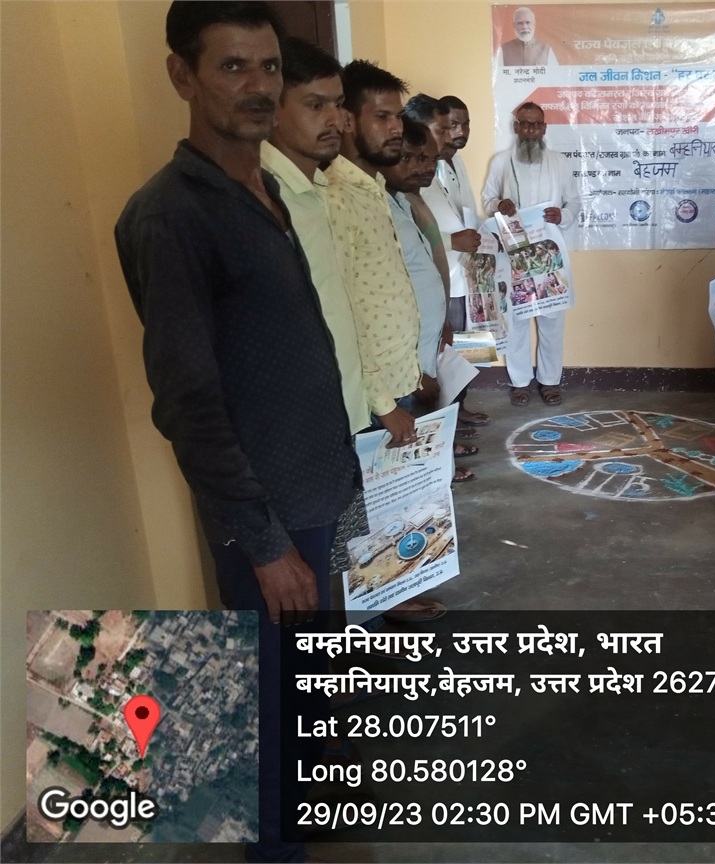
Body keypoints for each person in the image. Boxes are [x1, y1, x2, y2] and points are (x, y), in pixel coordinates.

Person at [114, 5, 359, 861]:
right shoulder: (172, 215)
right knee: (269, 710)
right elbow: (188, 403)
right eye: (232, 67)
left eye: (269, 68)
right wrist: (263, 543)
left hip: (314, 493)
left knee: (308, 688)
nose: (258, 86)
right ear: (182, 76)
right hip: (267, 520)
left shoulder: (266, 190)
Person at [262, 37, 370, 438]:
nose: (335, 120)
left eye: (338, 104)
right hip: (303, 427)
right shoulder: (266, 198)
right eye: (315, 105)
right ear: (274, 110)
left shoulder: (319, 189)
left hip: (347, 411)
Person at [325, 59, 421, 447]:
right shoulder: (335, 197)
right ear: (347, 120)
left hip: (397, 383)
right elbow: (342, 312)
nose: (397, 128)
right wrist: (383, 405)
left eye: (398, 116)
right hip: (374, 403)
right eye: (382, 117)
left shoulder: (373, 188)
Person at [380, 117, 477, 483]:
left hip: (426, 343)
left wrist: (440, 325)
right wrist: (417, 370)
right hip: (403, 362)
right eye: (410, 157)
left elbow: (422, 271)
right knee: (404, 454)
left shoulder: (405, 202)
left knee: (426, 427)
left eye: (427, 159)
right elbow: (386, 300)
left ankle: (439, 474)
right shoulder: (381, 207)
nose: (422, 167)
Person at [482, 101, 579, 406]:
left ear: (544, 128)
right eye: (525, 124)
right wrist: (499, 205)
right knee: (518, 320)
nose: (530, 130)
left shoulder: (560, 162)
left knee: (552, 321)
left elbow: (574, 203)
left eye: (536, 124)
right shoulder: (501, 162)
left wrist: (562, 215)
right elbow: (487, 200)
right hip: (513, 255)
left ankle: (550, 382)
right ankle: (520, 382)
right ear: (516, 127)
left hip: (549, 255)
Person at [409, 93, 491, 433]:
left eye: (461, 125)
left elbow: (465, 210)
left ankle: (460, 406)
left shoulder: (454, 163)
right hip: (443, 276)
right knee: (443, 353)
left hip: (468, 270)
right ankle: (445, 422)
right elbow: (410, 233)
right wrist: (452, 242)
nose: (456, 133)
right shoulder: (413, 170)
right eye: (446, 127)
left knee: (470, 348)